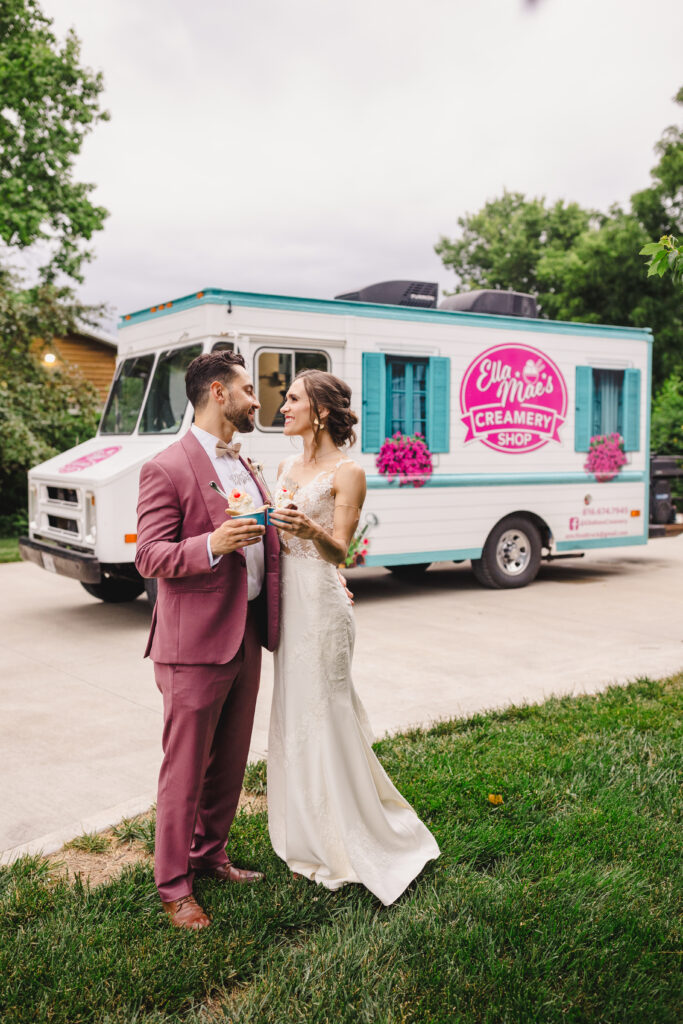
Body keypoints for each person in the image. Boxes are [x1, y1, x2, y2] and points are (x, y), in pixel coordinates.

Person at [268, 369, 440, 906]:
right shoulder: (283, 466)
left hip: (320, 606)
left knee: (326, 711)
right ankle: (305, 833)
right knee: (294, 714)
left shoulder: (349, 472)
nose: (283, 405)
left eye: (292, 398)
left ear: (319, 410)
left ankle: (356, 837)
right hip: (287, 606)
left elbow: (340, 550)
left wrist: (307, 529)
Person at [135, 351, 280, 931]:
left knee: (230, 760)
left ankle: (210, 853)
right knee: (185, 767)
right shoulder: (165, 467)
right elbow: (149, 554)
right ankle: (173, 886)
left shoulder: (245, 463)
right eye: (248, 389)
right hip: (192, 644)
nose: (256, 399)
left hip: (245, 632)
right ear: (218, 393)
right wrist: (212, 543)